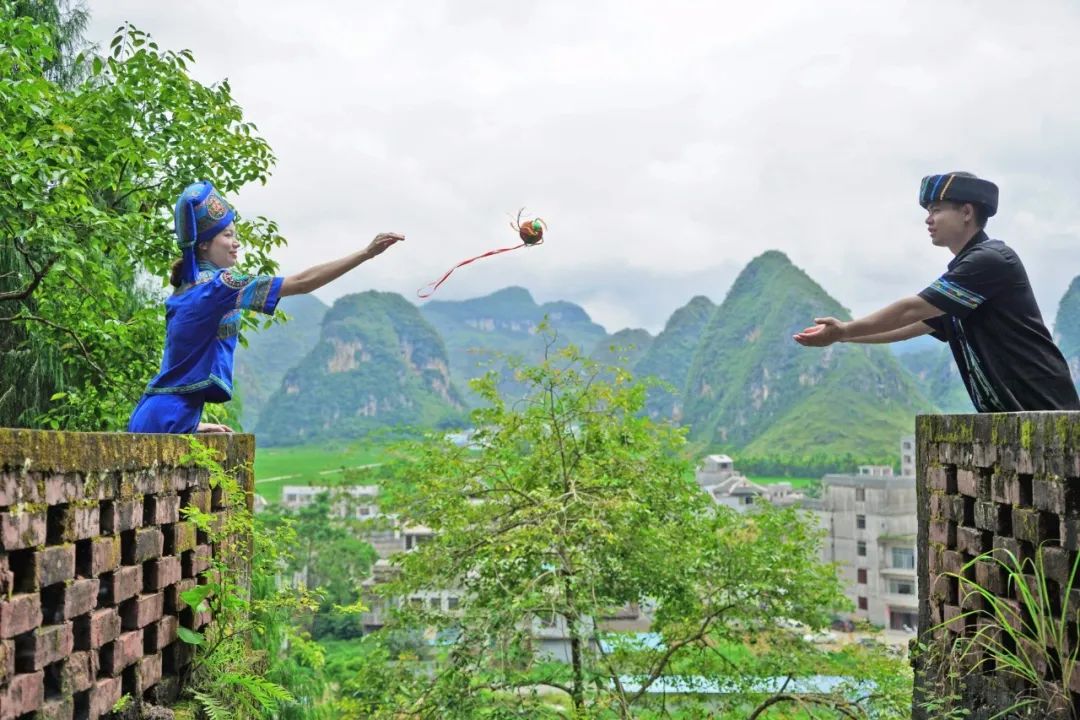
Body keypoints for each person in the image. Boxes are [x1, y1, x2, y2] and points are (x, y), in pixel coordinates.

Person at [127, 180, 403, 434]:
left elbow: (177, 363)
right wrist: (366, 253)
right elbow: (302, 283)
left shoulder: (185, 287)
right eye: (228, 235)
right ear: (204, 245)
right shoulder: (221, 285)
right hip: (170, 417)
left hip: (157, 413)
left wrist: (192, 425)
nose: (236, 243)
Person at [794, 171, 1079, 412]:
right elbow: (909, 326)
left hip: (1047, 408)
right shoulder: (965, 281)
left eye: (937, 210)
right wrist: (842, 337)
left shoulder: (990, 261)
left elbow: (910, 309)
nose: (928, 220)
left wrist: (845, 330)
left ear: (966, 212)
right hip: (1016, 416)